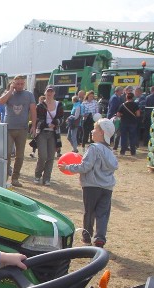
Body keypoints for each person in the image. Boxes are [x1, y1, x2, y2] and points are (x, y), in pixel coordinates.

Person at [59, 118, 119, 248]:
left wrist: (67, 167)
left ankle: (86, 237)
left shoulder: (93, 148)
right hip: (107, 187)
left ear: (102, 132)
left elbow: (85, 166)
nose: (92, 131)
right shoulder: (110, 152)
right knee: (103, 214)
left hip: (91, 186)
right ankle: (100, 239)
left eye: (95, 129)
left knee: (89, 212)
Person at [0, 74, 37, 187]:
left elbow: (33, 111)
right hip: (9, 128)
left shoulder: (29, 95)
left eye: (21, 84)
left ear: (24, 84)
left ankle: (15, 178)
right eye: (17, 84)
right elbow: (0, 102)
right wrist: (10, 90)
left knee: (20, 155)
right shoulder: (8, 93)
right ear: (14, 83)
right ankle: (4, 178)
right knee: (7, 154)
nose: (20, 86)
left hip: (22, 129)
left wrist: (33, 125)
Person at [33, 86, 65, 185]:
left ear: (54, 93)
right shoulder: (40, 105)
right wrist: (46, 124)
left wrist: (55, 123)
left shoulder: (59, 104)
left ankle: (47, 178)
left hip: (54, 133)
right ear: (45, 92)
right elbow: (37, 119)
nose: (49, 93)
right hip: (42, 132)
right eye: (48, 91)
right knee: (43, 156)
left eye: (51, 91)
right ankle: (38, 175)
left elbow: (61, 118)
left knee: (51, 157)